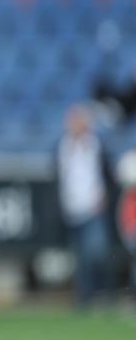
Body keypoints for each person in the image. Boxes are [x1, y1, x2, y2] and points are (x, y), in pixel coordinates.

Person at [56, 105, 115, 307]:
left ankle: (104, 293)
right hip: (72, 208)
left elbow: (107, 173)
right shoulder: (63, 146)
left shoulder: (96, 145)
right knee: (79, 257)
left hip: (93, 206)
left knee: (97, 252)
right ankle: (85, 298)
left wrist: (104, 195)